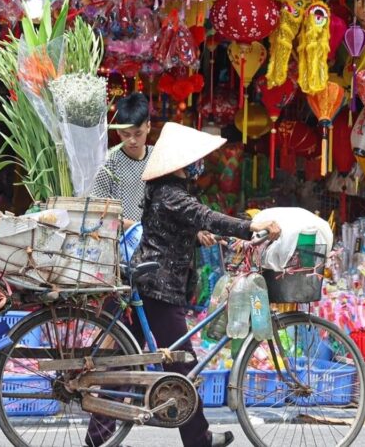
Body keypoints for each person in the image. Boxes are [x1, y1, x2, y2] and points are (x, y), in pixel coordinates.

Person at [86, 122, 281, 447]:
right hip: (156, 290)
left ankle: (100, 439)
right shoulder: (171, 195)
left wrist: (211, 236)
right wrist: (250, 227)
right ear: (180, 165)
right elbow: (206, 215)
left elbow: (187, 225)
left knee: (123, 364)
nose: (195, 167)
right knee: (182, 363)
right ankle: (198, 439)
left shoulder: (165, 194)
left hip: (147, 283)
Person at [91, 93, 153, 229]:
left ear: (148, 126)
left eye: (138, 134)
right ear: (118, 130)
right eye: (126, 134)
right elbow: (97, 209)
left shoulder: (157, 157)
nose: (132, 140)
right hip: (119, 241)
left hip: (154, 241)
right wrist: (134, 227)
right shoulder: (108, 162)